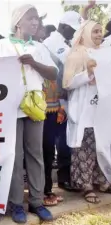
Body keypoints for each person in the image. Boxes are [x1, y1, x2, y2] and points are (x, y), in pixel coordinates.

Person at [0, 4, 58, 223]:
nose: (36, 22)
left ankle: (37, 202)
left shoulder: (38, 47)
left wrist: (34, 63)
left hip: (35, 107)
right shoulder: (2, 45)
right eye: (31, 18)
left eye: (37, 19)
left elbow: (53, 73)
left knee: (35, 155)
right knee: (15, 157)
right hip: (11, 107)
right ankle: (17, 204)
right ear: (18, 21)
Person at [63, 20, 111, 204]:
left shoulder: (104, 53)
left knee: (101, 145)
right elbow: (67, 83)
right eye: (95, 31)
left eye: (101, 31)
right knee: (85, 149)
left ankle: (102, 181)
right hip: (84, 109)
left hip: (102, 109)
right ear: (86, 34)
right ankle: (86, 185)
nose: (99, 34)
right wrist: (87, 75)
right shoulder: (76, 54)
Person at [43, 10, 82, 194]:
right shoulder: (52, 43)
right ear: (64, 26)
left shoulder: (67, 42)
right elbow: (62, 68)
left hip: (67, 98)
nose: (73, 33)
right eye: (71, 30)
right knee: (59, 140)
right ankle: (61, 179)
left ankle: (66, 176)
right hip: (55, 101)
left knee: (66, 137)